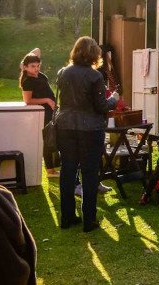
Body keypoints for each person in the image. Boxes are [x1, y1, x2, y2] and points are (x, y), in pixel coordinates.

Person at [56, 37, 118, 232]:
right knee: (89, 174)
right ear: (94, 54)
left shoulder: (63, 73)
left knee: (68, 171)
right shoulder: (95, 76)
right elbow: (101, 106)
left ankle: (67, 217)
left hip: (65, 126)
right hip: (90, 129)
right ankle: (89, 220)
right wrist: (114, 99)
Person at [19, 50, 59, 177]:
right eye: (33, 66)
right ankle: (50, 170)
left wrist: (27, 61)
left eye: (38, 66)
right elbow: (28, 100)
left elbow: (37, 50)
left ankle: (54, 166)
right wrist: (47, 100)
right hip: (43, 113)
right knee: (48, 140)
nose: (36, 68)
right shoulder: (27, 81)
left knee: (54, 138)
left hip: (51, 111)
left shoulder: (39, 75)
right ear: (25, 67)